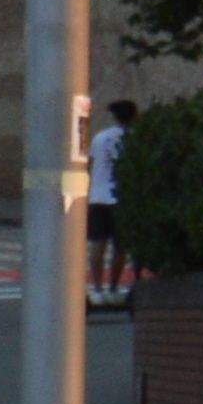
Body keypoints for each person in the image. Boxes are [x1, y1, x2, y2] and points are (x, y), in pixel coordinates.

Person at [90, 101, 139, 307]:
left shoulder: (100, 137)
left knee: (98, 244)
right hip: (121, 198)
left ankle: (98, 288)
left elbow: (91, 163)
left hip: (98, 197)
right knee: (121, 247)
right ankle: (113, 287)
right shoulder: (134, 138)